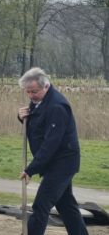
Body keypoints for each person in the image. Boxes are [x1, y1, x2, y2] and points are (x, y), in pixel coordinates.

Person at [17, 68, 88, 235]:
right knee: (66, 206)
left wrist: (31, 169)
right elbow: (38, 127)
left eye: (34, 91)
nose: (31, 96)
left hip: (63, 163)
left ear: (46, 86)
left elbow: (50, 144)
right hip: (53, 162)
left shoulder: (57, 107)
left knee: (41, 205)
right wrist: (22, 118)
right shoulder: (40, 101)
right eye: (27, 92)